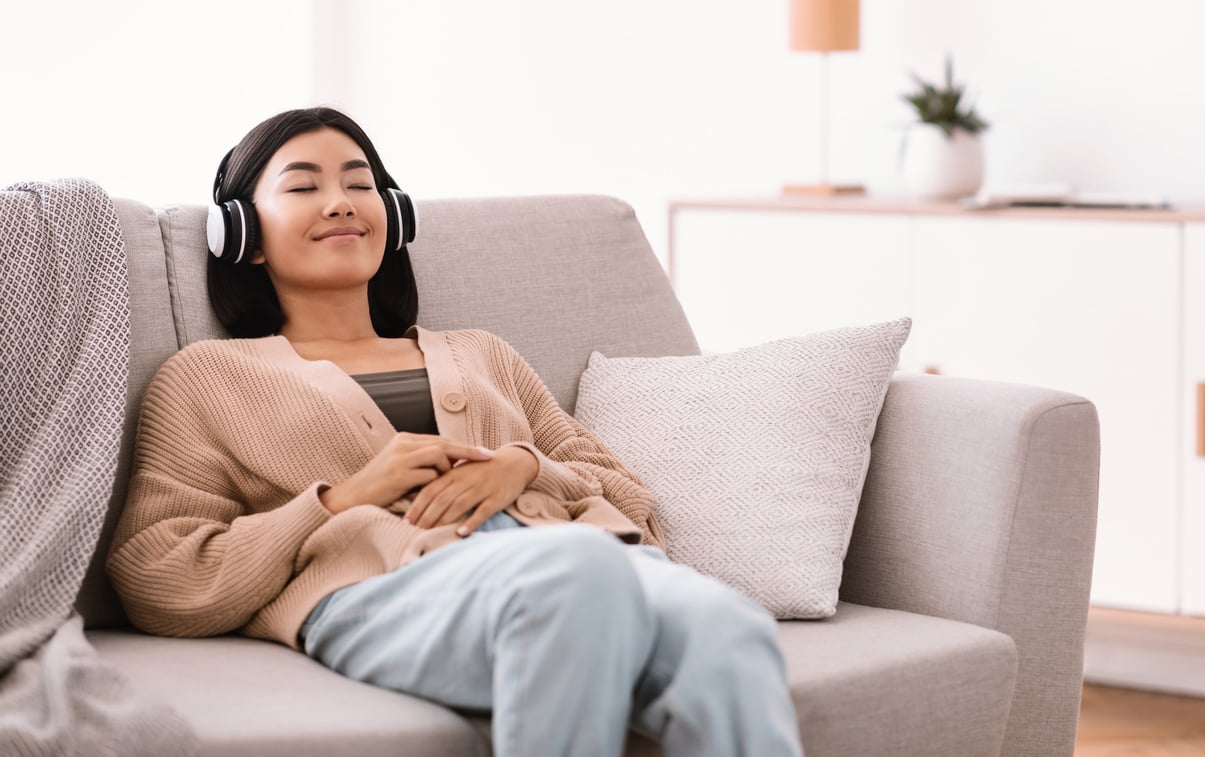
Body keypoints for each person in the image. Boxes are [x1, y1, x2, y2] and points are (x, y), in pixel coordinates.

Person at [107, 107, 803, 757]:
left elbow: (626, 494)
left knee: (730, 628)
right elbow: (157, 570)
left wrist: (525, 467)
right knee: (576, 573)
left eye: (362, 184)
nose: (343, 201)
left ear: (395, 215)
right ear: (243, 234)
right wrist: (343, 499)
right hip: (388, 590)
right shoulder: (206, 377)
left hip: (584, 561)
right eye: (304, 186)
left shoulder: (482, 352)